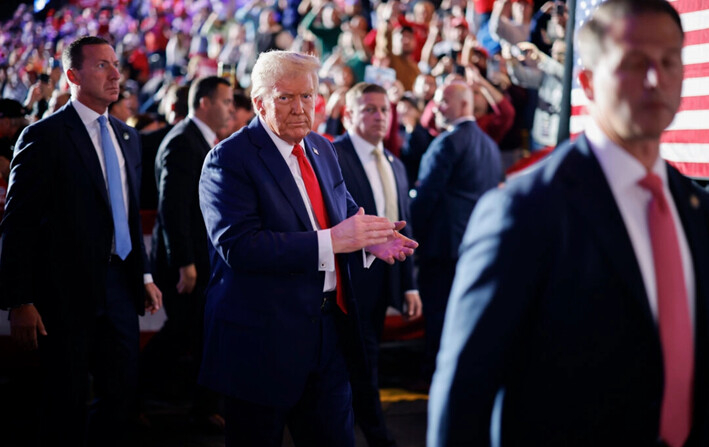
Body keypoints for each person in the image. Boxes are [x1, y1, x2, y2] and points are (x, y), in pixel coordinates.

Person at [427, 1, 709, 446]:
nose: (656, 79)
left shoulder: (695, 208)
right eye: (634, 63)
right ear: (588, 82)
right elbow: (463, 396)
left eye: (670, 61)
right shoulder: (523, 211)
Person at [198, 50, 418, 447]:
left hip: (328, 336)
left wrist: (374, 238)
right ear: (259, 101)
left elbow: (344, 213)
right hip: (261, 343)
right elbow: (240, 247)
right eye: (286, 97)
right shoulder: (227, 159)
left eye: (307, 96)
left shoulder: (322, 147)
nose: (300, 108)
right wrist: (334, 241)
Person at [0, 36, 162, 446]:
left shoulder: (128, 138)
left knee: (121, 397)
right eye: (102, 66)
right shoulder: (44, 136)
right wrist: (19, 300)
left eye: (115, 64)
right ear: (72, 75)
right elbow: (17, 224)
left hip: (122, 289)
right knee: (64, 402)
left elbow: (124, 214)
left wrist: (143, 275)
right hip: (64, 294)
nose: (115, 74)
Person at [333, 82, 423, 447]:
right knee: (359, 366)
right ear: (348, 114)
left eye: (384, 109)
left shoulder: (396, 164)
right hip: (347, 279)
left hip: (384, 280)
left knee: (366, 363)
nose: (379, 116)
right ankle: (377, 437)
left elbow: (404, 225)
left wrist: (409, 284)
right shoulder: (331, 156)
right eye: (369, 108)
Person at [143, 75, 233, 430]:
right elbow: (173, 208)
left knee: (196, 333)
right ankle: (129, 394)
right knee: (183, 332)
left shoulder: (198, 140)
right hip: (186, 262)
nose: (229, 108)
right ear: (204, 103)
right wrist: (186, 263)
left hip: (197, 259)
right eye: (225, 101)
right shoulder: (183, 142)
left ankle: (201, 407)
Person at [410, 79, 502, 385]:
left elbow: (425, 199)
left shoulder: (447, 143)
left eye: (442, 101)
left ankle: (435, 379)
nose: (436, 107)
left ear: (464, 104)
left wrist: (411, 238)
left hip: (442, 250)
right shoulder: (489, 145)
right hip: (477, 248)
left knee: (440, 318)